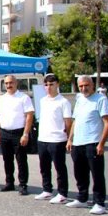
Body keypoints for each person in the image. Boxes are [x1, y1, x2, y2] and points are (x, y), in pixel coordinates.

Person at [66, 75, 108, 215]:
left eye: (86, 85)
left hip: (93, 143)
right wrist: (70, 139)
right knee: (80, 173)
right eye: (81, 86)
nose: (83, 88)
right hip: (78, 143)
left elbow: (107, 123)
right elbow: (75, 121)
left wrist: (101, 144)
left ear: (92, 85)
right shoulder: (80, 99)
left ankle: (99, 203)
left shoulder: (101, 99)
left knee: (97, 175)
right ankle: (82, 198)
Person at [0, 74, 35, 195]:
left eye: (11, 83)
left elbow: (29, 116)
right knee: (7, 160)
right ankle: (9, 183)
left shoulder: (24, 98)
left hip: (19, 133)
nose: (8, 85)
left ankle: (23, 185)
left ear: (16, 83)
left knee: (21, 160)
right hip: (4, 133)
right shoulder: (1, 99)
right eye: (6, 83)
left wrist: (25, 134)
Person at [35, 73, 72, 203]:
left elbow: (68, 121)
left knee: (59, 168)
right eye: (46, 85)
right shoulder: (43, 101)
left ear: (57, 85)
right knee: (44, 167)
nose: (49, 87)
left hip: (58, 140)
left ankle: (62, 193)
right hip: (43, 138)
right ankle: (47, 190)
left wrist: (69, 138)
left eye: (51, 84)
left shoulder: (63, 102)